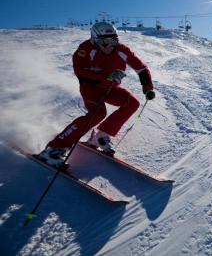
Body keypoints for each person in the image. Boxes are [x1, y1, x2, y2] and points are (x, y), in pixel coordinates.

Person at [39, 22, 155, 168]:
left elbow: (141, 68)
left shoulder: (122, 50)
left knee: (132, 103)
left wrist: (147, 87)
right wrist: (104, 77)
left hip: (111, 88)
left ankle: (101, 136)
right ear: (95, 40)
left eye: (113, 41)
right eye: (104, 42)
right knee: (97, 113)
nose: (109, 46)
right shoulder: (85, 49)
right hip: (91, 88)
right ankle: (54, 149)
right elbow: (80, 72)